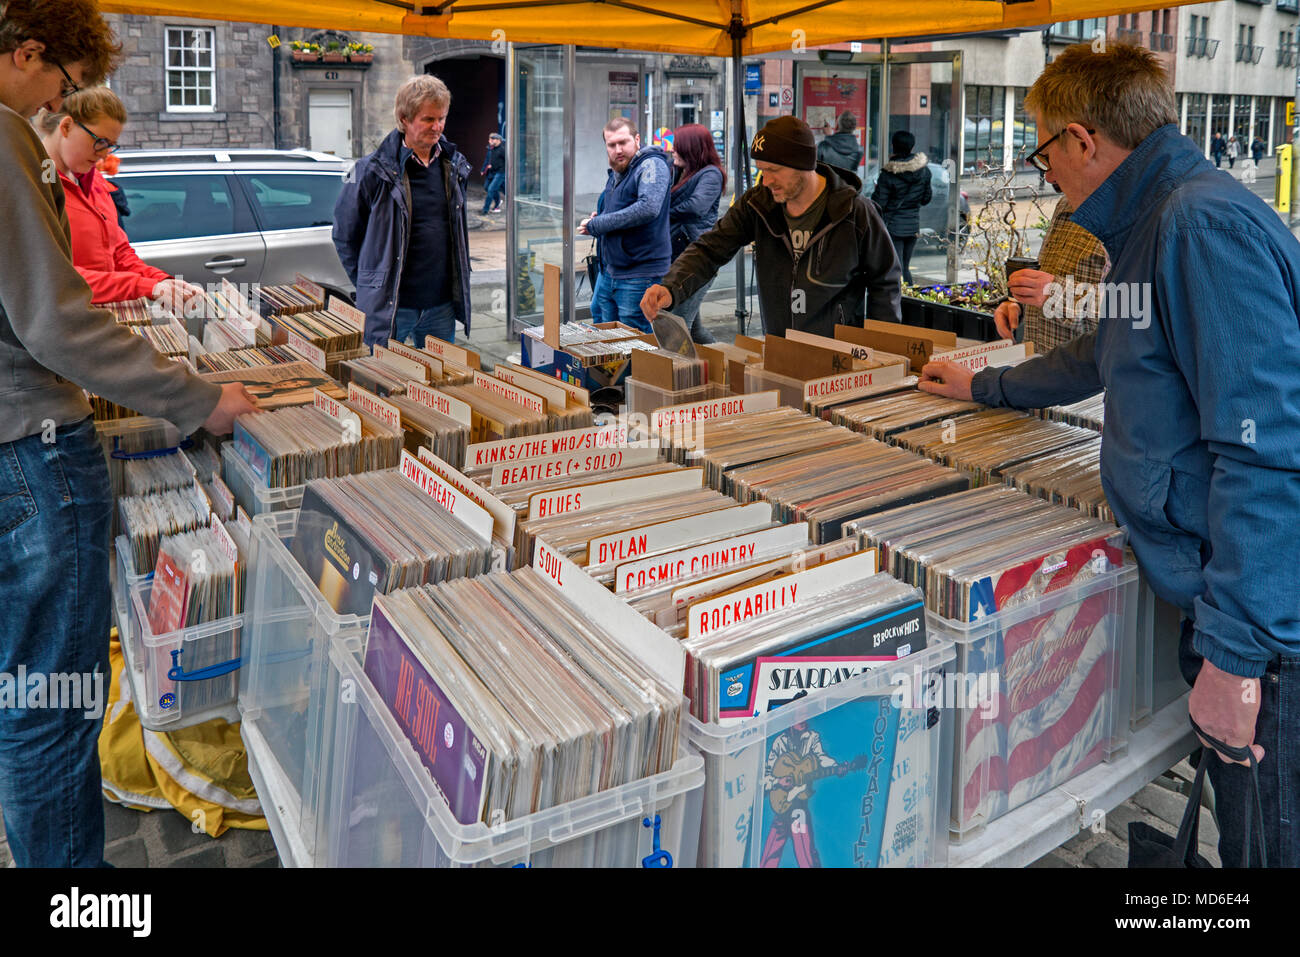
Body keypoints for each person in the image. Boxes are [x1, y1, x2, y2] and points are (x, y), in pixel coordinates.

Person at [919, 43, 1300, 868]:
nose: (1044, 169)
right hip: (1227, 605)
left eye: (1044, 148)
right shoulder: (1153, 221)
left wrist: (1236, 662)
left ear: (1083, 141)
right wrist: (985, 389)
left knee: (1266, 842)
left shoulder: (1196, 225)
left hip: (1267, 645)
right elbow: (1106, 353)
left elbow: (1268, 453)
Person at [0, 0, 257, 869]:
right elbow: (57, 323)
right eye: (63, 90)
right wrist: (194, 399)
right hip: (30, 450)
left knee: (29, 694)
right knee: (51, 706)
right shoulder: (4, 139)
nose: (56, 110)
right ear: (29, 53)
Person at [641, 115, 901, 337]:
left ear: (803, 164)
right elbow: (711, 248)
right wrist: (670, 286)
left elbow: (885, 280)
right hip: (780, 347)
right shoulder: (758, 204)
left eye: (773, 170)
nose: (766, 181)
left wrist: (880, 348)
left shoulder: (854, 211)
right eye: (761, 170)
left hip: (840, 355)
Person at [333, 74, 472, 348]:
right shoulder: (369, 171)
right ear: (405, 119)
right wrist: (370, 284)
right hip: (393, 307)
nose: (438, 127)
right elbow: (345, 235)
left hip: (441, 307)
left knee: (439, 385)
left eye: (441, 118)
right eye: (428, 119)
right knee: (385, 384)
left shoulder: (453, 166)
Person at [36, 87, 204, 309]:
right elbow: (54, 274)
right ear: (66, 126)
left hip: (95, 316)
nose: (106, 154)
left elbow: (120, 253)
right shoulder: (35, 184)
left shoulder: (92, 179)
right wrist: (143, 286)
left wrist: (163, 282)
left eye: (110, 144)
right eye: (100, 141)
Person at [579, 117, 671, 335]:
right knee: (602, 321)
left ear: (637, 139)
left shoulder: (651, 164)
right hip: (611, 268)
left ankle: (636, 372)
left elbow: (648, 208)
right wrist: (601, 216)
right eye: (612, 145)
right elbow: (622, 206)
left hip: (640, 270)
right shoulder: (618, 170)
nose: (618, 149)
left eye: (623, 142)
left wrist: (598, 224)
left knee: (633, 336)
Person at [993, 196, 1107, 350]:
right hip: (1041, 364)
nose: (1048, 177)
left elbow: (1135, 307)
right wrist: (1020, 303)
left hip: (1090, 371)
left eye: (1054, 170)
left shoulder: (1134, 210)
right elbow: (1054, 278)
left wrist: (1053, 293)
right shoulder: (1066, 203)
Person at [667, 123, 725, 345]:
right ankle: (725, 365)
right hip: (683, 258)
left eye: (677, 146)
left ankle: (684, 375)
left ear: (691, 148)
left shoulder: (711, 174)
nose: (672, 150)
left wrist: (664, 212)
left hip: (698, 260)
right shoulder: (681, 172)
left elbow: (696, 207)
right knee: (695, 331)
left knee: (678, 326)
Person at [872, 130, 932, 285]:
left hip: (893, 227)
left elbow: (879, 203)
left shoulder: (888, 174)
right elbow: (926, 199)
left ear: (893, 147)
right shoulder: (924, 171)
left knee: (895, 268)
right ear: (912, 148)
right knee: (904, 267)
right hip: (913, 226)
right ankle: (910, 300)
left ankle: (900, 303)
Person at [480, 131, 505, 215]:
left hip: (500, 173)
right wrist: (483, 169)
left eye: (492, 139)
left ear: (498, 140)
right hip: (491, 172)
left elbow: (507, 162)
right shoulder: (490, 148)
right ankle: (498, 202)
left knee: (491, 189)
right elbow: (487, 159)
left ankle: (485, 209)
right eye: (490, 139)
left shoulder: (503, 149)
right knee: (487, 187)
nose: (490, 141)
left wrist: (494, 166)